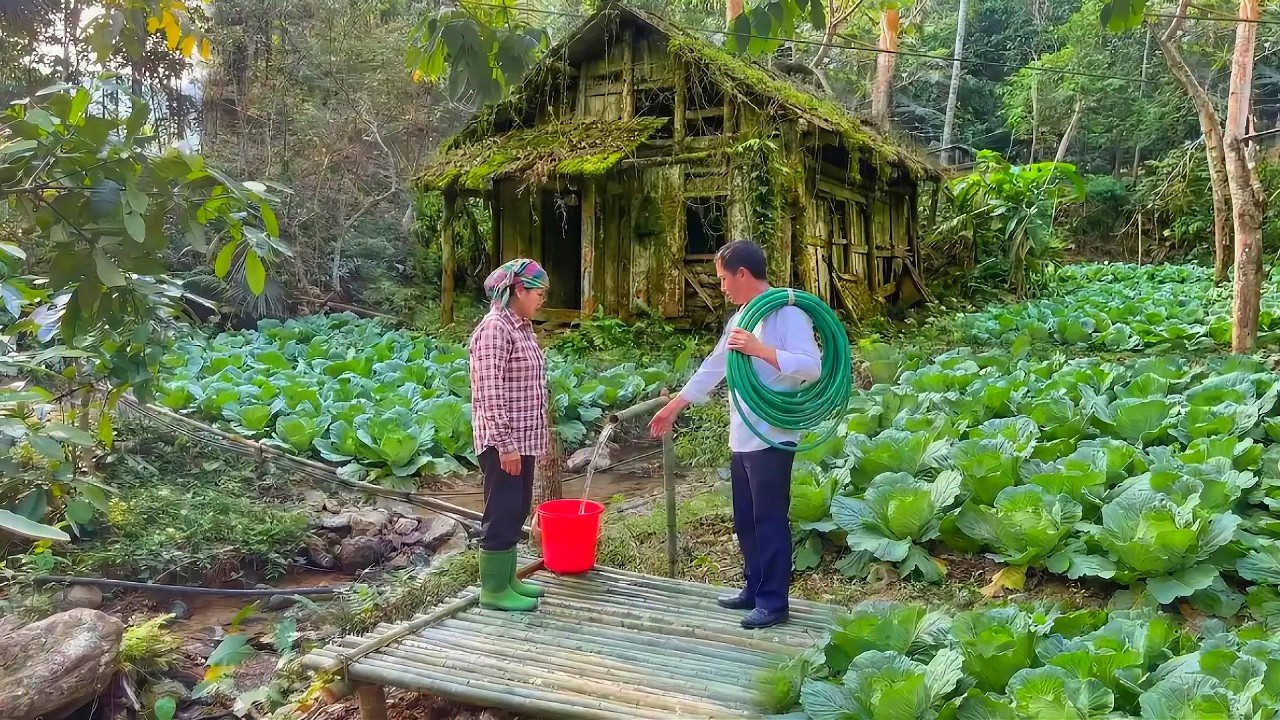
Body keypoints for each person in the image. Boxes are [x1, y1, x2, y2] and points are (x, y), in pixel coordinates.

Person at [649, 240, 821, 629]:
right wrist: (675, 406)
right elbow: (717, 364)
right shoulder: (742, 316)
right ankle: (754, 589)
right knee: (746, 518)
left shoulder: (786, 313)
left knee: (769, 518)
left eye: (724, 279)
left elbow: (812, 367)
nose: (722, 287)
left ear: (742, 274)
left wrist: (761, 350)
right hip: (743, 432)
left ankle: (774, 602)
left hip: (773, 433)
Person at [468, 258, 551, 612]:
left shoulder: (521, 326)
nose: (542, 300)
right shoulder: (495, 329)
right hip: (503, 443)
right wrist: (506, 445)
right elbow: (490, 393)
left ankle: (508, 580)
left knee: (516, 509)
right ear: (518, 290)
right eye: (538, 293)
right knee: (501, 511)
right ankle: (493, 590)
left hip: (523, 439)